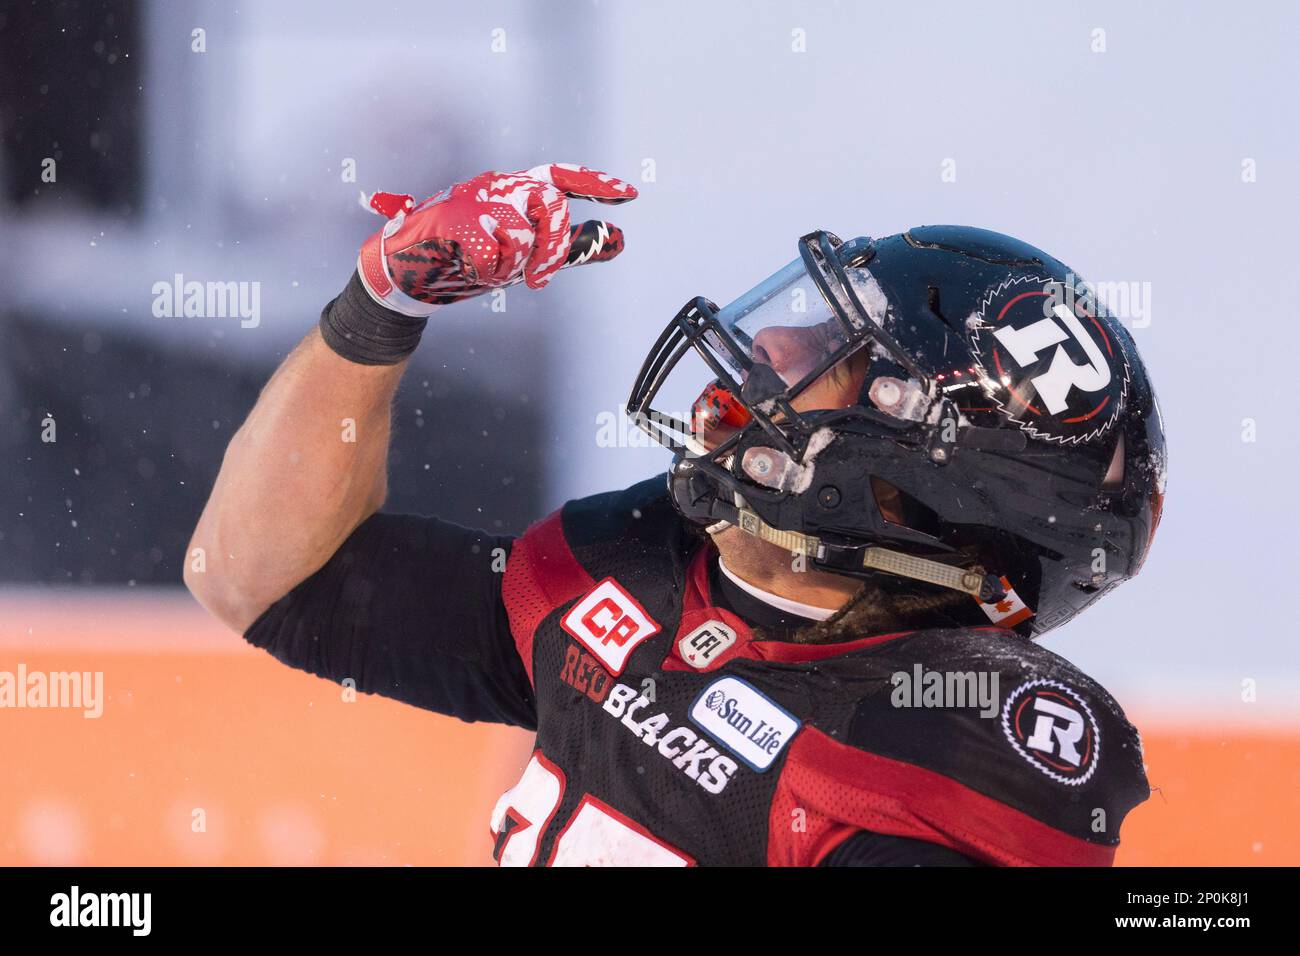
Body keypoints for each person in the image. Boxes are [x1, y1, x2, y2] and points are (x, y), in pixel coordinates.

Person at [184, 162, 1167, 866]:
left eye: (839, 348)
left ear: (912, 469)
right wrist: (381, 303)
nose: (773, 339)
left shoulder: (949, 734)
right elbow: (260, 575)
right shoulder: (649, 562)